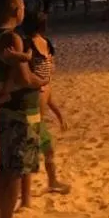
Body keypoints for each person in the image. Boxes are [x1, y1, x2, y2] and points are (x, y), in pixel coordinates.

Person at [0, 0, 49, 218]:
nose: (24, 10)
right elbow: (23, 76)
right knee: (15, 170)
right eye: (22, 6)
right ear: (14, 9)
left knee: (3, 167)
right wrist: (41, 80)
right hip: (21, 111)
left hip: (6, 111)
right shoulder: (12, 37)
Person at [21, 11, 71, 195]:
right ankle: (24, 197)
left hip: (38, 117)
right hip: (29, 110)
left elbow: (48, 96)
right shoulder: (28, 45)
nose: (49, 60)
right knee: (28, 156)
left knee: (48, 149)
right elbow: (24, 74)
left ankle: (52, 182)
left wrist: (59, 115)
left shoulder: (47, 44)